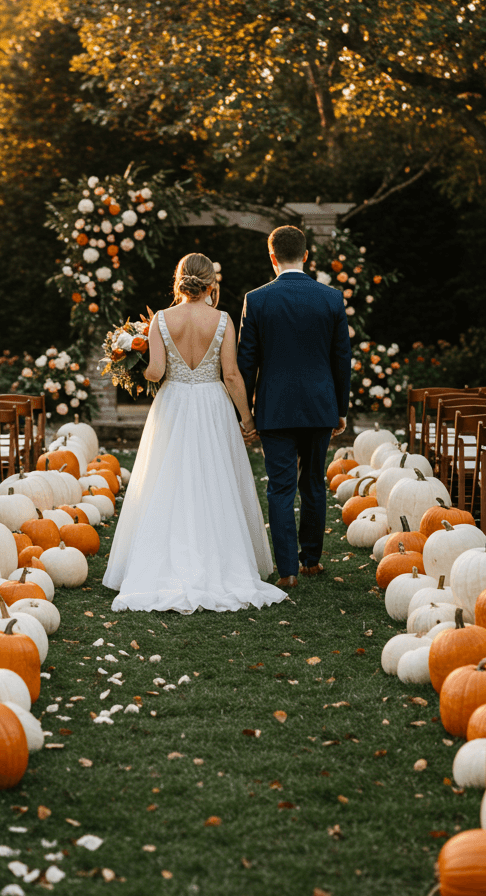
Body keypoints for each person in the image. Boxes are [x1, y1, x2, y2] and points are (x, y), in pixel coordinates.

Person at [103, 252, 286, 613]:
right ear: (210, 284)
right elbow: (232, 375)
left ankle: (161, 563)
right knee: (214, 479)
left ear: (180, 280)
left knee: (166, 480)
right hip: (212, 405)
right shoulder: (222, 319)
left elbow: (155, 373)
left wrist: (130, 355)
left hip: (173, 405)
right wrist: (247, 420)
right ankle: (219, 559)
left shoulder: (160, 319)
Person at [237, 225, 352, 589]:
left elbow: (246, 362)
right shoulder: (331, 298)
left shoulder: (256, 300)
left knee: (281, 488)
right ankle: (311, 561)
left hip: (275, 408)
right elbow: (341, 359)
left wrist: (247, 413)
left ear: (272, 258)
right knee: (314, 483)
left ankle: (287, 571)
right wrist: (341, 408)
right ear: (306, 256)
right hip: (320, 406)